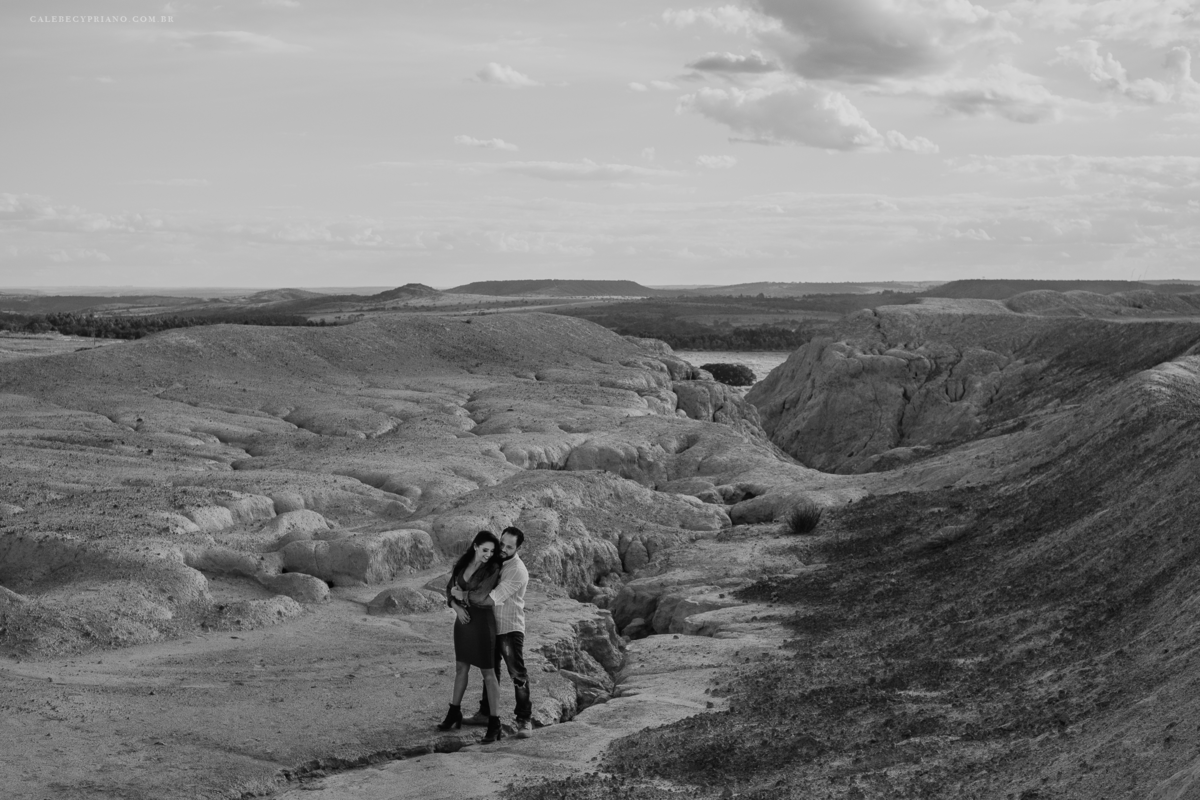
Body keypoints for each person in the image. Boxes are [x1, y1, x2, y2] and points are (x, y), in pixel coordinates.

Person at [452, 525, 532, 738]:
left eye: (509, 547)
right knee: (490, 672)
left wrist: (462, 596)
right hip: (488, 626)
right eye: (502, 543)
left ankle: (524, 720)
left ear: (518, 548)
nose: (503, 549)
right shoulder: (493, 560)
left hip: (509, 628)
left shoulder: (517, 570)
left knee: (517, 674)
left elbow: (488, 600)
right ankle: (486, 713)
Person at [437, 530, 505, 744]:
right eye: (485, 550)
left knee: (488, 673)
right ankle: (453, 713)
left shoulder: (492, 568)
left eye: (492, 551)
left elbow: (481, 595)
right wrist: (457, 607)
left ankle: (495, 723)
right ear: (475, 546)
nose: (488, 554)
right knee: (461, 668)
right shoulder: (461, 564)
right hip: (463, 622)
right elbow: (449, 589)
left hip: (483, 623)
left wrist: (461, 595)